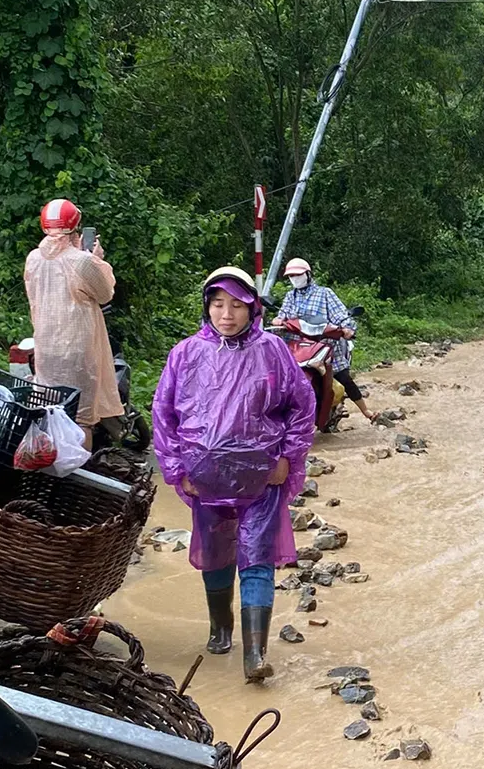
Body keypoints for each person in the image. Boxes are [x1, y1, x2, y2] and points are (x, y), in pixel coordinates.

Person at [152, 266, 316, 683]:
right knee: (216, 553)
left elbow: (302, 405)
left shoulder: (272, 350)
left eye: (237, 306)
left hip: (262, 476)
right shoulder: (185, 354)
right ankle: (220, 629)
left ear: (252, 308)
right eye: (218, 304)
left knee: (257, 556)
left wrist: (288, 458)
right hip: (206, 477)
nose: (226, 314)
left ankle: (255, 655)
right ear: (206, 307)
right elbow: (164, 414)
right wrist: (176, 469)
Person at [24, 199, 124, 448]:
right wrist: (97, 260)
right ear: (75, 226)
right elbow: (104, 294)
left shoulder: (33, 258)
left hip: (46, 347)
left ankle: (50, 462)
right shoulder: (82, 261)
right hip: (78, 349)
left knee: (49, 408)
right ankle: (78, 465)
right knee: (81, 417)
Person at [273, 258, 374, 423]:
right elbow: (282, 315)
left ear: (308, 274)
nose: (294, 278)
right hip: (298, 346)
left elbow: (340, 314)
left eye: (298, 275)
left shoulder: (325, 293)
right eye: (291, 276)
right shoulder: (290, 296)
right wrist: (278, 320)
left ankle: (366, 411)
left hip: (324, 344)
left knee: (343, 377)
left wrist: (347, 328)